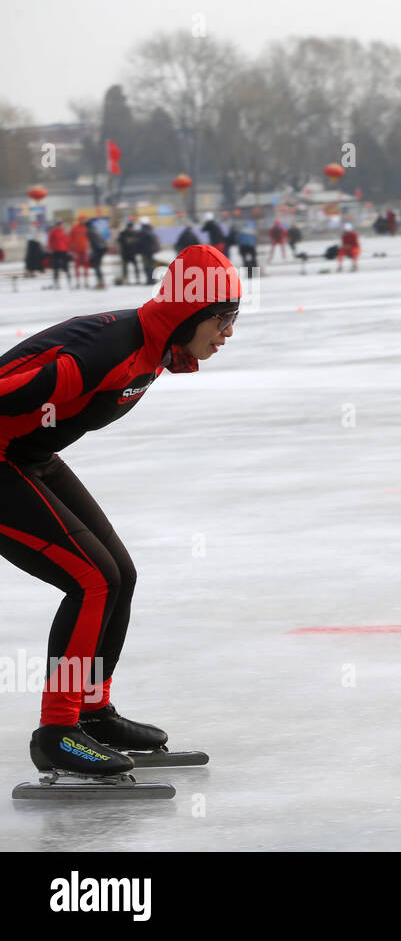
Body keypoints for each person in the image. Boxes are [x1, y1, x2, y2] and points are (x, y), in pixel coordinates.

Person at [0, 245, 241, 781]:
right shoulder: (107, 349)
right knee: (92, 579)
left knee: (119, 575)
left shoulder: (152, 346)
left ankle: (91, 712)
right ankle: (57, 733)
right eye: (222, 318)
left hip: (28, 455)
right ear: (187, 313)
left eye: (234, 318)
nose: (227, 332)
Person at [46, 220, 71, 289]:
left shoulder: (64, 231)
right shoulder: (53, 231)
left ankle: (69, 282)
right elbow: (50, 241)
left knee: (66, 267)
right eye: (59, 224)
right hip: (56, 251)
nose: (60, 225)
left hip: (64, 251)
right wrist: (50, 249)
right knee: (56, 268)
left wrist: (69, 249)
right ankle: (56, 283)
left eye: (61, 224)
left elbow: (67, 240)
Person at [68, 218, 91, 289]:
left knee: (86, 266)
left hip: (84, 250)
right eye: (82, 220)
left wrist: (89, 248)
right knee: (77, 266)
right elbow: (70, 239)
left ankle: (86, 282)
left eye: (84, 220)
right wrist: (71, 249)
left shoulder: (86, 228)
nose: (83, 221)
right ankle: (78, 282)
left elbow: (89, 238)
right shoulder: (74, 228)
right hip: (76, 250)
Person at [85, 220, 107, 290]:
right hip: (101, 248)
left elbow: (93, 243)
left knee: (96, 265)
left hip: (98, 249)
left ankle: (101, 283)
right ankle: (101, 282)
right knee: (97, 266)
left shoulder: (89, 231)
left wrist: (93, 253)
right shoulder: (95, 229)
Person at [138, 218, 159, 284]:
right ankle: (153, 279)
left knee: (147, 266)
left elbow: (140, 242)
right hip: (151, 251)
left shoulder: (142, 232)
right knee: (152, 265)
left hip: (144, 252)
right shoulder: (151, 230)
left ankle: (149, 280)